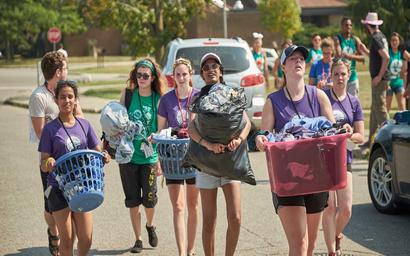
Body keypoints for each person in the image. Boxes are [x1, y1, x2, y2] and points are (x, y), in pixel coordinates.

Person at [255, 45, 337, 256]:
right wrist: (261, 139)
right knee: (299, 244)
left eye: (301, 58)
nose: (298, 61)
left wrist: (341, 130)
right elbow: (262, 136)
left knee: (309, 245)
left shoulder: (319, 96)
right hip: (287, 181)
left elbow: (333, 133)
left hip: (317, 178)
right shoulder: (273, 101)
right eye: (292, 59)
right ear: (283, 67)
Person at [188, 53, 251, 256]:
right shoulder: (199, 98)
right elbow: (191, 128)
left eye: (214, 66)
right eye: (206, 67)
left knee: (236, 217)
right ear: (202, 75)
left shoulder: (232, 94)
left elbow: (247, 122)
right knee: (209, 220)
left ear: (221, 71)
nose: (210, 69)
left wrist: (239, 139)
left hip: (231, 163)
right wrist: (207, 144)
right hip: (207, 165)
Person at [38, 80, 110, 256]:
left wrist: (104, 156)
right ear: (56, 100)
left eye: (70, 96)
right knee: (67, 240)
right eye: (62, 97)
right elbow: (43, 161)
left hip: (83, 186)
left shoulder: (84, 125)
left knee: (86, 238)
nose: (67, 100)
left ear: (76, 99)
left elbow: (96, 151)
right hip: (58, 188)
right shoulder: (49, 129)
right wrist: (49, 162)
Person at [28, 51, 83, 256]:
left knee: (74, 202)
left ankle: (68, 244)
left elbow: (81, 121)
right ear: (58, 72)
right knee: (51, 206)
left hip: (74, 161)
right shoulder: (39, 97)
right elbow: (41, 133)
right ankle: (53, 231)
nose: (67, 71)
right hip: (51, 162)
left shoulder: (67, 92)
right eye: (66, 68)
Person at [118, 58, 165, 253]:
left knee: (150, 198)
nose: (142, 78)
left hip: (150, 158)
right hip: (128, 158)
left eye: (146, 75)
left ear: (152, 77)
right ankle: (138, 239)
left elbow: (163, 133)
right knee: (133, 200)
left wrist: (160, 160)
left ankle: (150, 225)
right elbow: (116, 121)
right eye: (139, 75)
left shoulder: (158, 99)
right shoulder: (128, 95)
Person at [157, 58, 200, 256]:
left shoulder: (198, 96)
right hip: (172, 159)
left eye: (184, 74)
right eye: (178, 75)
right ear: (172, 77)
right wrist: (158, 160)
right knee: (178, 206)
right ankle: (182, 252)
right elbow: (160, 132)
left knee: (192, 205)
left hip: (194, 158)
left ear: (190, 75)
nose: (181, 78)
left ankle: (191, 249)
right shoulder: (166, 100)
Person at [322, 58, 365, 256]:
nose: (340, 77)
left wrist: (348, 134)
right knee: (330, 207)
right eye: (336, 74)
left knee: (346, 209)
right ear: (331, 75)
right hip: (324, 160)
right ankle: (332, 251)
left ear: (349, 76)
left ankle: (336, 234)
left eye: (343, 74)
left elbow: (360, 136)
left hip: (344, 159)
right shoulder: (323, 98)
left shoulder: (354, 101)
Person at [358, 12, 390, 148]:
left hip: (380, 79)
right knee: (375, 110)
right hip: (381, 79)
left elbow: (386, 57)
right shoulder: (381, 36)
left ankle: (390, 138)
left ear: (368, 26)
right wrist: (365, 51)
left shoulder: (376, 38)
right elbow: (377, 57)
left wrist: (378, 76)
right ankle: (370, 140)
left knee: (381, 110)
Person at [334, 17, 365, 96]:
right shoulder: (338, 39)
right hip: (340, 78)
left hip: (352, 77)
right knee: (340, 103)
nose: (349, 27)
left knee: (352, 104)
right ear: (341, 26)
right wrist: (354, 55)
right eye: (346, 25)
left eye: (350, 25)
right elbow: (339, 55)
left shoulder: (355, 40)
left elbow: (363, 58)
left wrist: (349, 56)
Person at [386, 32, 408, 112]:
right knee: (386, 108)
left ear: (399, 42)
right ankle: (384, 124)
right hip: (388, 84)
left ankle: (404, 124)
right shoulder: (387, 53)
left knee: (402, 106)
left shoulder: (402, 53)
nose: (394, 42)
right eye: (392, 40)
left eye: (396, 40)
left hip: (399, 83)